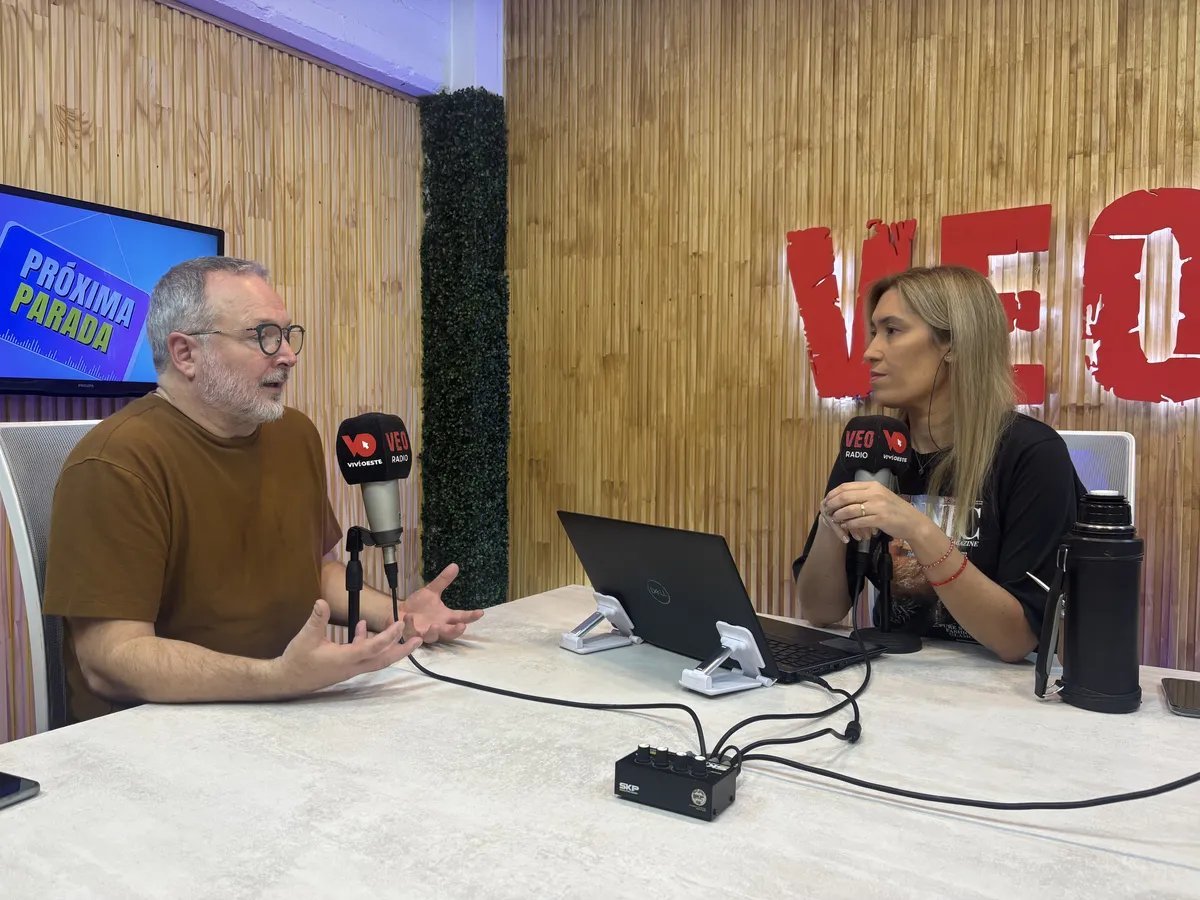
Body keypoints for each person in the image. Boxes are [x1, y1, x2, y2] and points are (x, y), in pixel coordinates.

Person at [43, 256, 483, 722]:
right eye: (262, 336)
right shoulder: (115, 463)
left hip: (284, 711)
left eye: (287, 334)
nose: (288, 354)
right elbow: (109, 660)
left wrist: (399, 613)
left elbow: (315, 573)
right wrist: (276, 678)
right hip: (158, 738)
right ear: (186, 354)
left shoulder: (294, 434)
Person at [793, 265, 1084, 662]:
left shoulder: (1032, 455)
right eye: (874, 332)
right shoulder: (873, 444)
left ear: (954, 344)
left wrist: (918, 530)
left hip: (999, 695)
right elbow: (820, 611)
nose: (870, 351)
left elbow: (1019, 639)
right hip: (896, 680)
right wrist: (831, 523)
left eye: (892, 331)